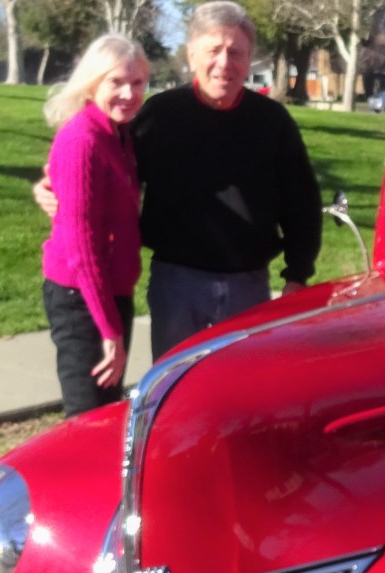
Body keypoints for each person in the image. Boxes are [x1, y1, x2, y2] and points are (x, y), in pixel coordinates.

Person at [36, 2, 322, 361]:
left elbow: (303, 201)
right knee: (173, 390)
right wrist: (49, 184)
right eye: (213, 50)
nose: (224, 63)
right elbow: (106, 167)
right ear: (191, 55)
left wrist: (298, 274)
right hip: (176, 281)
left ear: (249, 60)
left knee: (238, 392)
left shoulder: (272, 122)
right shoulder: (160, 115)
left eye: (236, 52)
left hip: (248, 285)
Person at [40, 35, 149, 417]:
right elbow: (81, 246)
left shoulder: (118, 135)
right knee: (86, 417)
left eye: (137, 83)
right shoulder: (82, 139)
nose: (128, 93)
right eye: (116, 82)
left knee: (107, 411)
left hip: (112, 291)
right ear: (92, 83)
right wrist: (109, 331)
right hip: (80, 297)